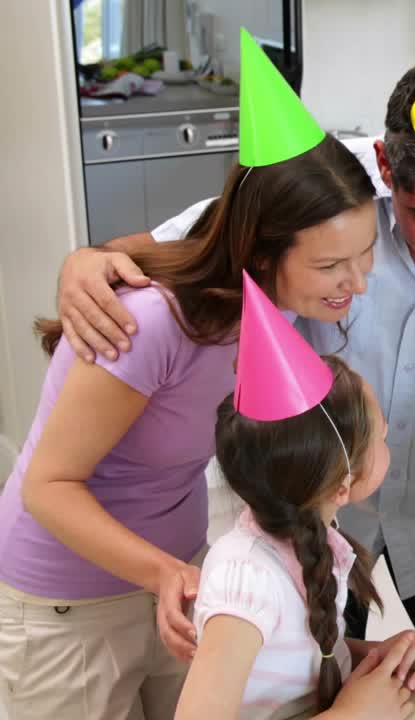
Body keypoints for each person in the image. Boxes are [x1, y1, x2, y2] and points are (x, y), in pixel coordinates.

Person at [54, 49, 415, 641]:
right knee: (310, 668)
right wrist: (85, 261)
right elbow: (182, 247)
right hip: (306, 521)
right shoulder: (327, 194)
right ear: (386, 166)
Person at [0, 31, 377, 720]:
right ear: (262, 249)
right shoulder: (150, 325)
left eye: (365, 253)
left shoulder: (274, 306)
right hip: (69, 601)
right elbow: (46, 487)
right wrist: (162, 571)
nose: (355, 282)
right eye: (330, 266)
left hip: (174, 581)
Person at [176, 279, 415, 720]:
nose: (389, 433)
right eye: (380, 434)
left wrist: (376, 656)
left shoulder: (313, 538)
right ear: (341, 485)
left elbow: (296, 661)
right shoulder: (246, 579)